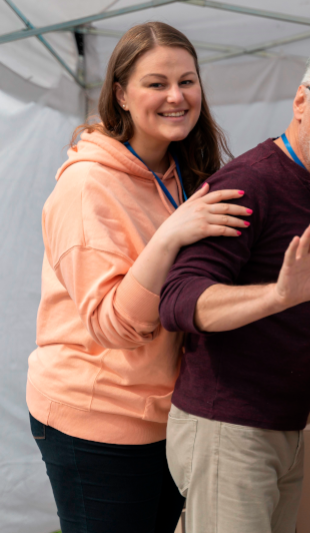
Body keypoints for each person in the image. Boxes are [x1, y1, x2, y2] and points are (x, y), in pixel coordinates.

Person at [158, 38, 310, 533]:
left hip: (284, 425)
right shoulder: (249, 184)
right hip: (229, 428)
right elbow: (178, 300)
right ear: (302, 101)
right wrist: (277, 295)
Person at [27, 22, 247, 533]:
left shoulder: (181, 171)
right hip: (96, 419)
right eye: (156, 83)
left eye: (187, 81)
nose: (176, 96)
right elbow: (113, 325)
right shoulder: (86, 187)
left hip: (166, 417)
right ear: (121, 95)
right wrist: (172, 233)